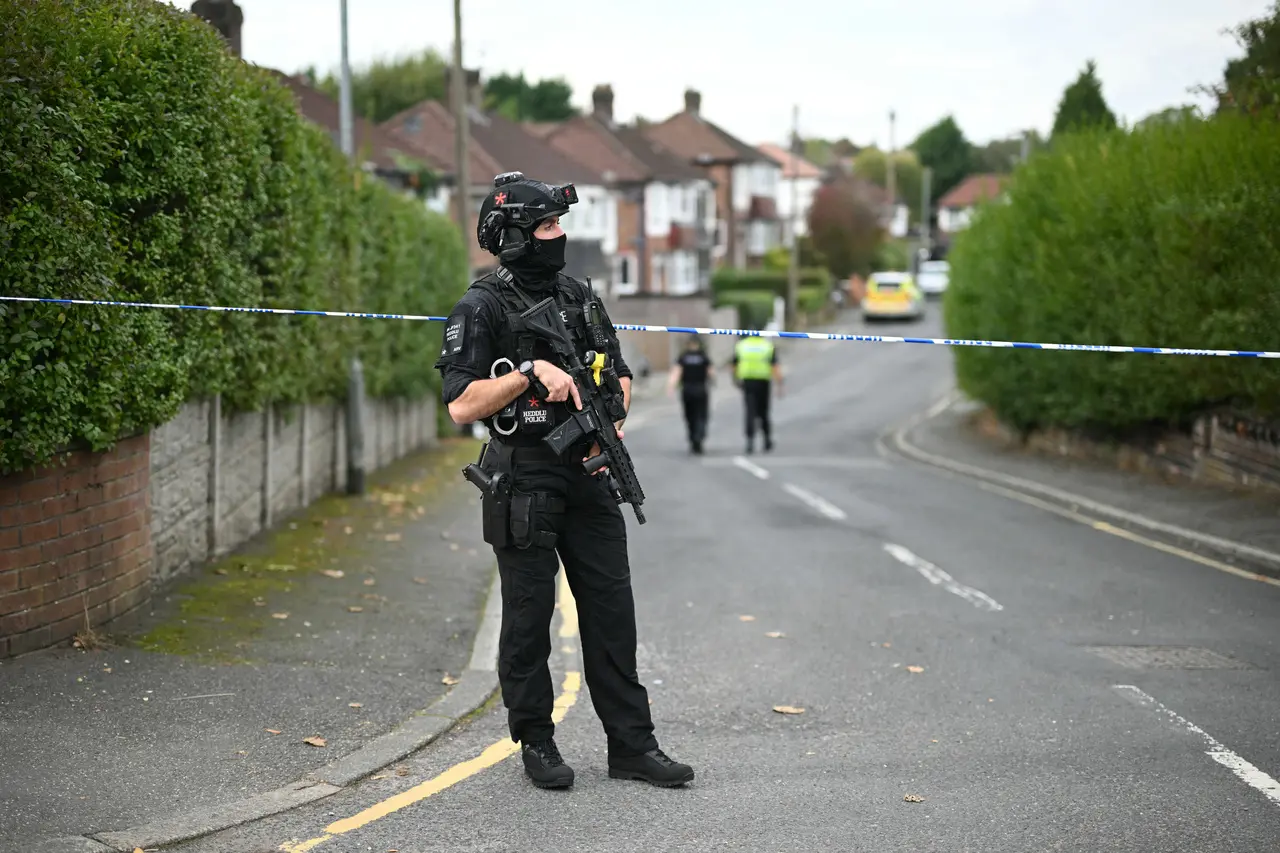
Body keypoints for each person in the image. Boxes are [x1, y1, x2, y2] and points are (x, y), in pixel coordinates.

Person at [434, 171, 694, 790]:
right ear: (516, 237)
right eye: (548, 226)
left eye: (558, 225)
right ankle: (538, 742)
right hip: (524, 477)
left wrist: (612, 413)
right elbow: (462, 404)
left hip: (589, 472)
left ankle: (633, 746)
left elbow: (620, 370)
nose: (560, 236)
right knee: (530, 618)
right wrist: (528, 372)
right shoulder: (481, 306)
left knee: (612, 614)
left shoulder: (580, 296)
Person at [732, 331, 782, 454]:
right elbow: (774, 365)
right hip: (763, 381)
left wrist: (735, 378)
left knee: (750, 411)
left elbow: (734, 364)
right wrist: (779, 383)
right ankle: (767, 440)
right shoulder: (767, 346)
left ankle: (750, 441)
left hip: (748, 381)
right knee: (763, 412)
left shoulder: (742, 345)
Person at [665, 334, 714, 454]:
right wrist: (712, 380)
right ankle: (699, 437)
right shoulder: (703, 356)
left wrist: (671, 387)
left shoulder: (684, 357)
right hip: (700, 389)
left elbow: (676, 373)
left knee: (690, 416)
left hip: (687, 390)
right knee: (701, 415)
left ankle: (693, 438)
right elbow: (711, 372)